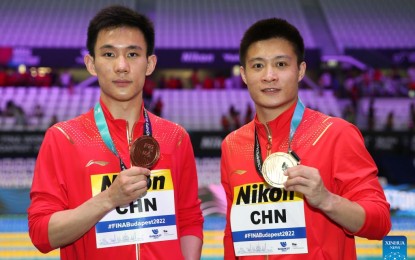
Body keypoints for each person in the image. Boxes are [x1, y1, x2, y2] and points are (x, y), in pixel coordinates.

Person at [28, 5, 203, 260]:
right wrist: (108, 199)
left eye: (133, 54)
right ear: (91, 63)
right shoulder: (62, 138)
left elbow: (189, 219)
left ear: (150, 63)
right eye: (109, 54)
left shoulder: (175, 138)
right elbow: (41, 234)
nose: (121, 66)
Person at [220, 18, 391, 259]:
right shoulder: (232, 144)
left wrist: (326, 200)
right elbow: (232, 233)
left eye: (280, 64)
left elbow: (380, 222)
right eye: (258, 66)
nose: (269, 76)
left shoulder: (336, 133)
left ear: (300, 70)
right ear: (244, 74)